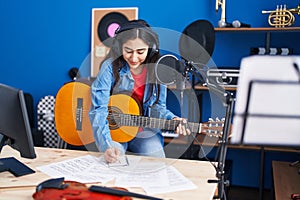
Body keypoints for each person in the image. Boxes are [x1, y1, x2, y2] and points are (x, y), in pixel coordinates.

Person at [89, 19, 190, 163]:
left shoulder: (158, 70)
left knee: (156, 161)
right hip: (112, 132)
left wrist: (172, 120)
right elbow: (98, 109)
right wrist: (107, 144)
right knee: (115, 162)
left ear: (151, 48)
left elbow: (158, 108)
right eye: (128, 51)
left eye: (140, 52)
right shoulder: (109, 67)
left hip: (145, 132)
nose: (134, 57)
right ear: (119, 48)